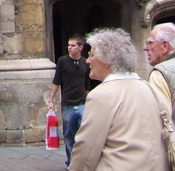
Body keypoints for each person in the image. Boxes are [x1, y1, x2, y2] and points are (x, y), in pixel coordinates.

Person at [67, 27, 168, 171]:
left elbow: (87, 149)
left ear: (108, 60)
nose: (88, 60)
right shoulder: (149, 88)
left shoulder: (101, 95)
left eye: (91, 54)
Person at [48, 33, 90, 168]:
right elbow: (56, 81)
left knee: (83, 135)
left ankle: (82, 162)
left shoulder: (85, 63)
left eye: (73, 45)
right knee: (69, 135)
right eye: (68, 45)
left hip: (82, 103)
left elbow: (87, 85)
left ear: (80, 47)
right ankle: (71, 162)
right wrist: (51, 100)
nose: (69, 48)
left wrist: (88, 101)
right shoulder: (62, 61)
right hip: (68, 105)